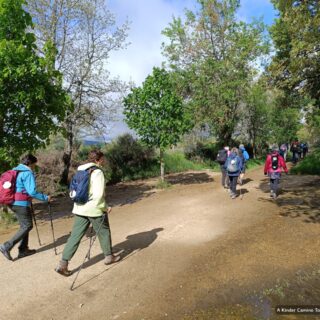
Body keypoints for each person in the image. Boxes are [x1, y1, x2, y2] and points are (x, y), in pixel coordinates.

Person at [55, 149, 120, 276]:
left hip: (79, 208)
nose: (104, 161)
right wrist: (105, 207)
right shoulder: (97, 172)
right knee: (104, 231)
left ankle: (63, 264)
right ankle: (109, 257)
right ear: (99, 159)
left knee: (75, 236)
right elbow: (98, 194)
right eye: (103, 159)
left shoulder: (80, 170)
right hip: (94, 209)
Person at [0, 154, 51, 261]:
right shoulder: (27, 173)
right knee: (27, 225)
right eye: (34, 164)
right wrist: (45, 197)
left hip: (12, 202)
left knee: (24, 225)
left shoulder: (15, 170)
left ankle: (23, 250)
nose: (34, 167)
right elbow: (32, 191)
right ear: (30, 163)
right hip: (21, 203)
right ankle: (7, 246)